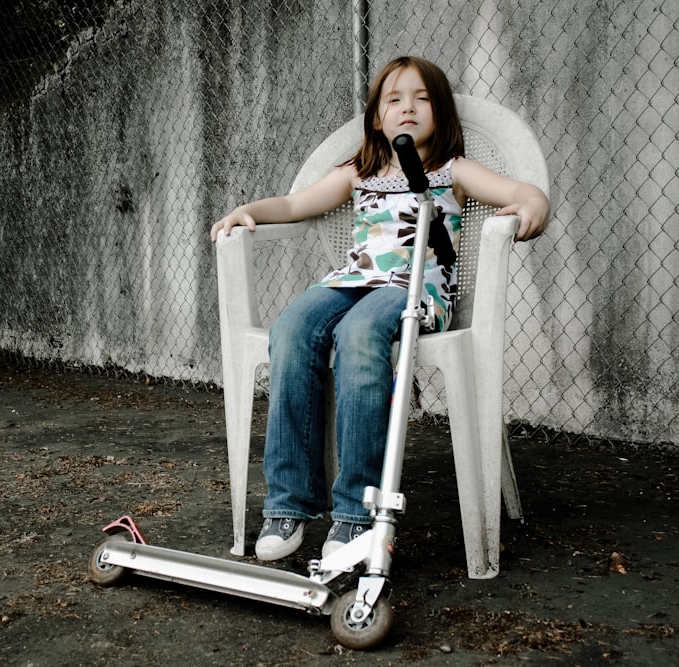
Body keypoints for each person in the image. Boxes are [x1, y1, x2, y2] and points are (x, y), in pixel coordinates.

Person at [210, 56, 549, 561]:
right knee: (292, 328)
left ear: (441, 112)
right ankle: (290, 502)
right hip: (352, 280)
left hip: (413, 291)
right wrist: (248, 211)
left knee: (360, 335)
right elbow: (293, 205)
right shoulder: (359, 170)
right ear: (376, 117)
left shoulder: (453, 170)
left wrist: (532, 206)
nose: (407, 107)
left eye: (421, 98)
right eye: (394, 99)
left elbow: (521, 192)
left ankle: (355, 513)